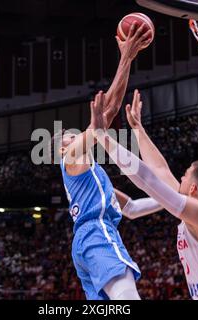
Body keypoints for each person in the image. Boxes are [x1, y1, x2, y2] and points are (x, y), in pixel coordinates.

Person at [90, 90, 198, 300]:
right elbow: (160, 171)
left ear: (193, 188)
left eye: (185, 176)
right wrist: (138, 129)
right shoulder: (197, 212)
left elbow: (149, 181)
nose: (181, 179)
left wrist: (102, 136)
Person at [53, 23, 154, 300]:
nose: (73, 137)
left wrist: (175, 200)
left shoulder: (92, 179)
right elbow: (107, 115)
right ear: (63, 151)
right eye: (67, 138)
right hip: (96, 233)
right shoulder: (71, 159)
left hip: (88, 242)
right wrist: (126, 57)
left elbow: (131, 208)